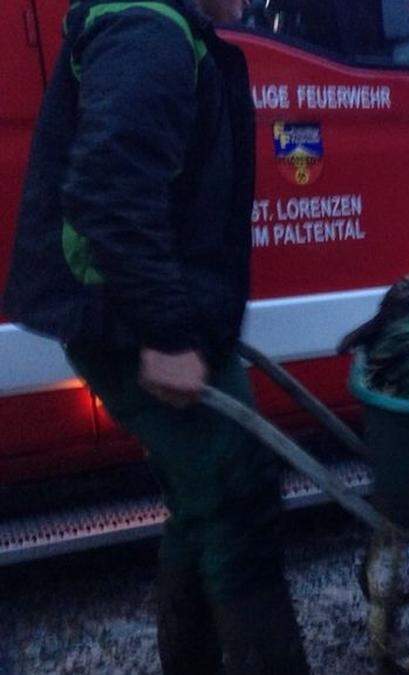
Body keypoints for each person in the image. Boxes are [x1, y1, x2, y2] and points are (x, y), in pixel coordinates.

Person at [2, 0, 310, 672]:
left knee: (202, 499)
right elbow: (110, 192)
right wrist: (168, 334)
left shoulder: (162, 29)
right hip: (132, 322)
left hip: (152, 313)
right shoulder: (150, 33)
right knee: (238, 502)